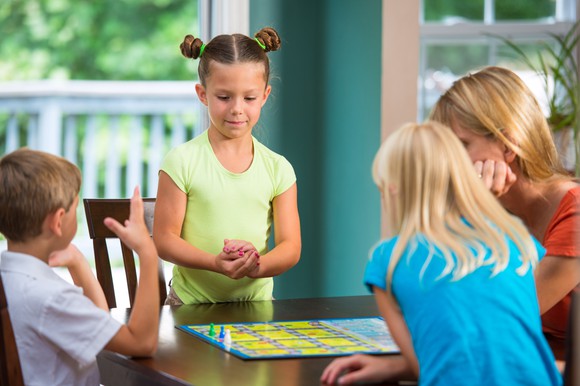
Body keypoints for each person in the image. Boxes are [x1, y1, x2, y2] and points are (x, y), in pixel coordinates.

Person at [321, 122, 562, 385]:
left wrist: (392, 367)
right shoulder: (517, 239)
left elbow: (423, 363)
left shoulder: (388, 261)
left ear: (392, 188)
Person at [429, 66, 580, 342]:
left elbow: (500, 316)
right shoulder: (500, 209)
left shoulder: (575, 215)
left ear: (509, 145)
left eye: (461, 145)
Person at [153, 27, 301, 304]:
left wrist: (257, 266)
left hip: (257, 309)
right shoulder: (181, 161)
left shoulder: (279, 169)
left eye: (249, 98)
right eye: (224, 97)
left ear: (265, 95)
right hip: (188, 307)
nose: (237, 109)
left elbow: (290, 247)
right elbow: (164, 240)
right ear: (202, 94)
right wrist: (214, 262)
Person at [0, 148, 160, 386]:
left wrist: (77, 262)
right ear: (57, 221)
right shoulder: (51, 298)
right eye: (75, 207)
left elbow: (99, 323)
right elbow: (142, 342)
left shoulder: (15, 278)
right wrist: (148, 253)